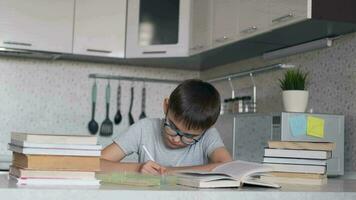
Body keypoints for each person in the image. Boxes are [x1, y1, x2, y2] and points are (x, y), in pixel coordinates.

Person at [101, 79, 232, 175]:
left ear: (207, 128)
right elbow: (94, 164)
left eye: (189, 136)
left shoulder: (208, 135)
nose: (176, 139)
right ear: (166, 106)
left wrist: (168, 171)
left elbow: (228, 167)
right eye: (173, 127)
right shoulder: (143, 129)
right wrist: (137, 169)